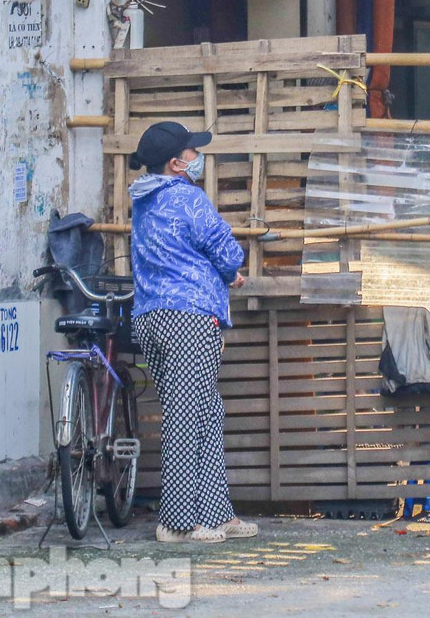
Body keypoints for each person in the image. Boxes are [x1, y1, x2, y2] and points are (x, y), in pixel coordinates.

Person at [128, 121, 257, 544]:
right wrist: (231, 271)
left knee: (206, 412)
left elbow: (173, 254)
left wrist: (223, 275)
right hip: (188, 319)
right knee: (187, 416)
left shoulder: (142, 202)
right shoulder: (188, 197)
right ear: (175, 163)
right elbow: (224, 246)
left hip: (151, 317)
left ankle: (217, 514)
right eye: (190, 152)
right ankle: (178, 523)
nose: (194, 158)